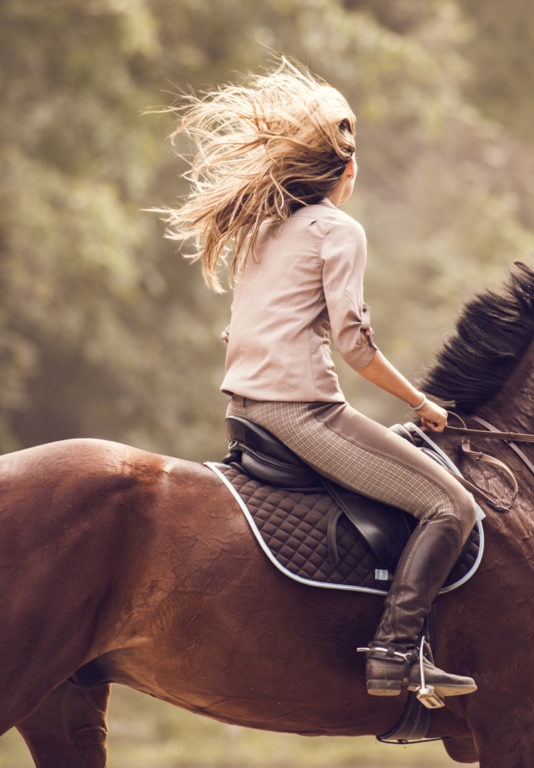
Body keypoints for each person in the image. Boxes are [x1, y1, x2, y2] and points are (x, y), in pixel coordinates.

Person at [159, 58, 477, 700]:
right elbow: (356, 347)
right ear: (348, 171)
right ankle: (394, 652)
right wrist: (423, 403)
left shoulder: (262, 229)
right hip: (300, 415)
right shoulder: (339, 231)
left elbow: (237, 332)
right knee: (452, 505)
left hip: (244, 412)